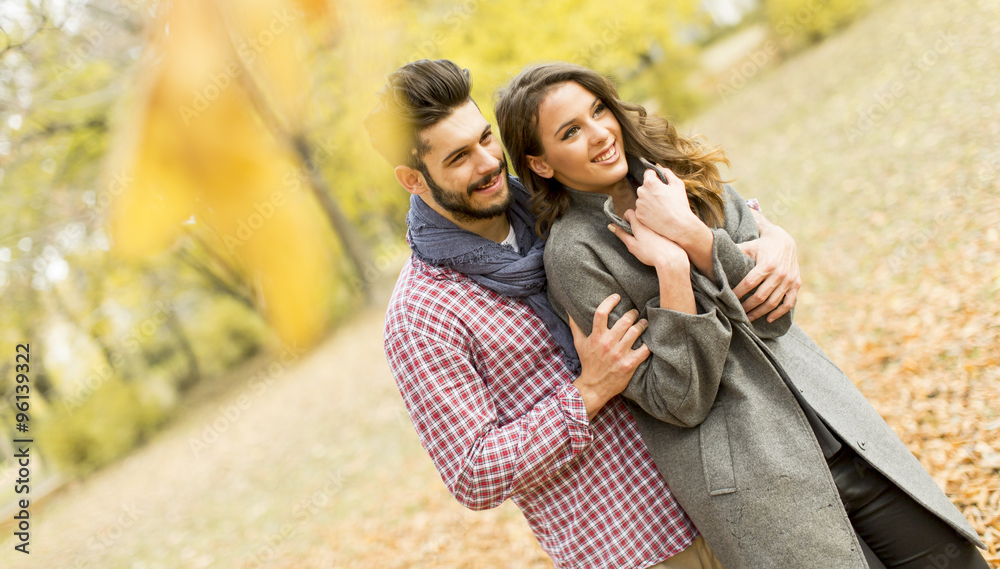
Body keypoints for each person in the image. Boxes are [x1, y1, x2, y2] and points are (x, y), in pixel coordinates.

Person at [494, 61, 990, 569]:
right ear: (541, 164)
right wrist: (670, 272)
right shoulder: (574, 257)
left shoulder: (674, 177)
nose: (599, 134)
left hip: (843, 431)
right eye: (570, 132)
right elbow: (678, 397)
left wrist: (691, 236)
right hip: (760, 483)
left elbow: (774, 316)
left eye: (598, 110)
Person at [364, 59, 801, 569]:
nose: (487, 163)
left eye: (485, 139)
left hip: (728, 495)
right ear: (413, 179)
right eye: (459, 157)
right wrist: (589, 390)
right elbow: (472, 471)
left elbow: (658, 200)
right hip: (631, 546)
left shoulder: (551, 204)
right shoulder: (422, 314)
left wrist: (770, 232)